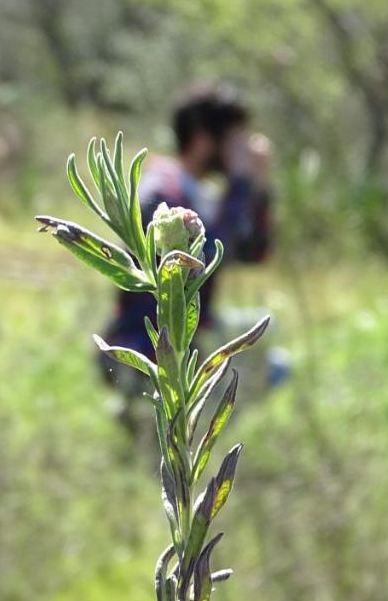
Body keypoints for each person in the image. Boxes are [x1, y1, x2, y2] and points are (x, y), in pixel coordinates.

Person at [100, 85, 273, 382]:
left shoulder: (198, 193)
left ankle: (190, 423)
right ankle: (161, 420)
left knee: (272, 341)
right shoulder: (165, 192)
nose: (241, 149)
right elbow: (209, 255)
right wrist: (241, 181)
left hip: (183, 341)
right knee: (270, 368)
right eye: (234, 140)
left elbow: (254, 252)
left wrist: (258, 189)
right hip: (149, 352)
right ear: (203, 139)